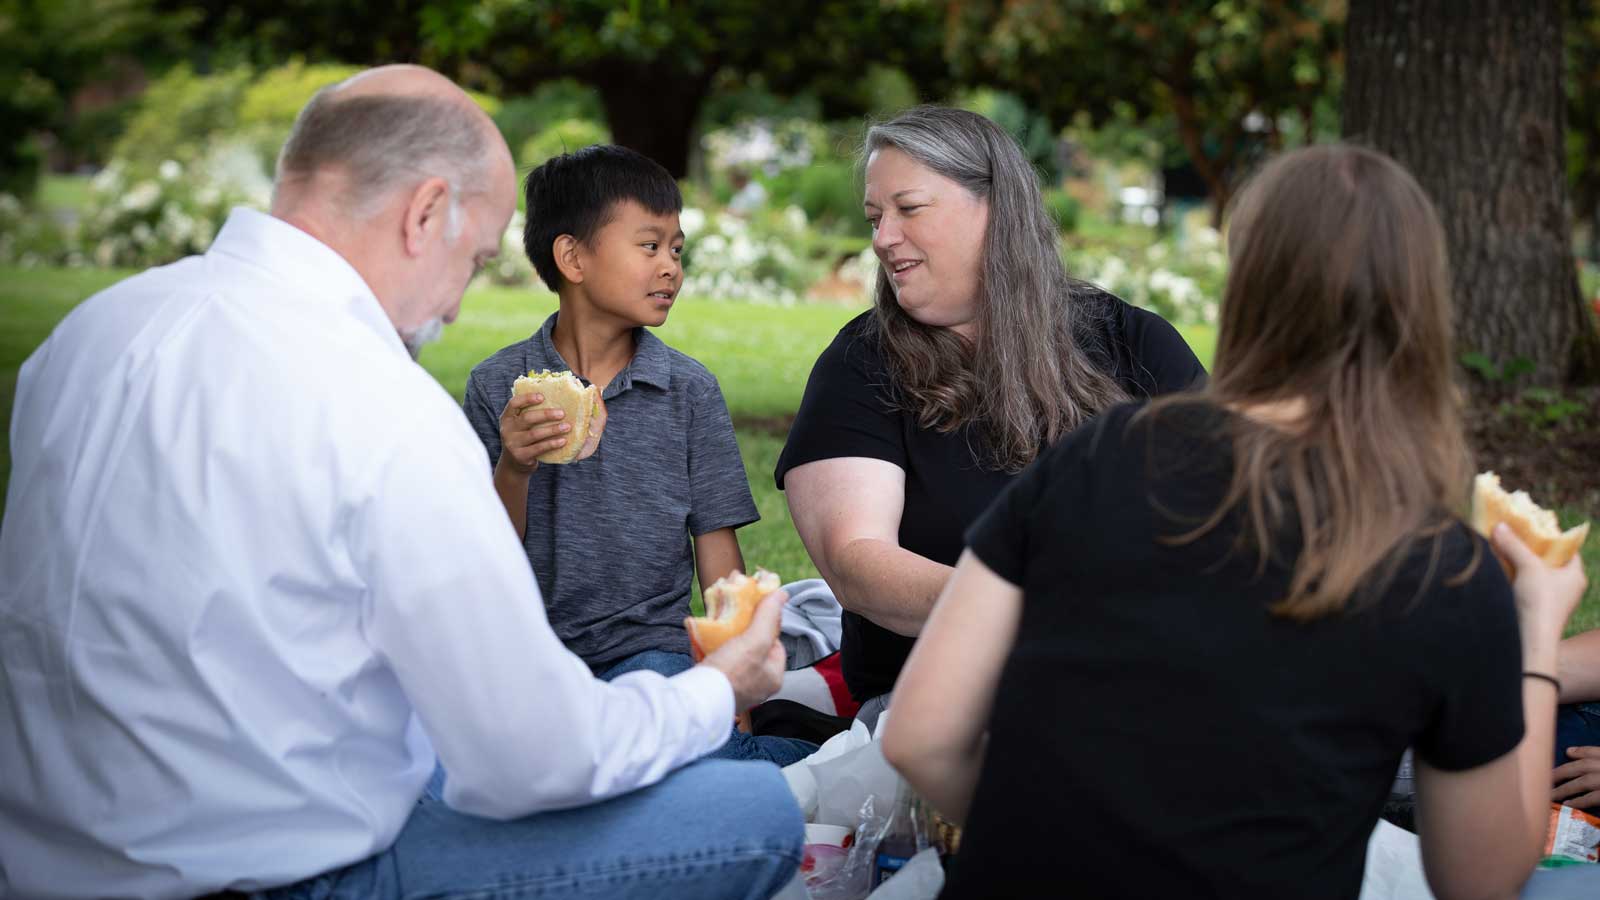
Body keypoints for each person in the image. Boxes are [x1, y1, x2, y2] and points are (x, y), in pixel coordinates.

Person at [0, 66, 802, 899]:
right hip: (279, 874)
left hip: (49, 860)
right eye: (475, 256)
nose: (456, 305)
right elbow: (532, 760)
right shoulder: (380, 402)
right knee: (752, 814)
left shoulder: (90, 334)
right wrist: (719, 688)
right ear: (424, 214)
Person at [881, 144, 1587, 897]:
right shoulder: (1443, 567)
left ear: (1246, 283)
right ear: (1422, 310)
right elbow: (1481, 880)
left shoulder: (1098, 454)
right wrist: (1536, 626)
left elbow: (920, 735)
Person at [776, 106, 1205, 726]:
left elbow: (1232, 512)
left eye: (909, 209)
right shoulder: (862, 364)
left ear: (996, 209)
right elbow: (857, 561)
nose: (881, 237)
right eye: (875, 217)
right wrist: (1031, 609)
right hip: (948, 700)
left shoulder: (1131, 342)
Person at [463, 144, 813, 765]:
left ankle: (811, 759)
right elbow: (482, 554)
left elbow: (717, 550)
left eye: (676, 249)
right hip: (534, 657)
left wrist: (729, 679)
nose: (671, 268)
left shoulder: (687, 389)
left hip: (648, 650)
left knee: (684, 761)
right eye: (649, 247)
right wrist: (514, 467)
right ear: (572, 257)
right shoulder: (498, 388)